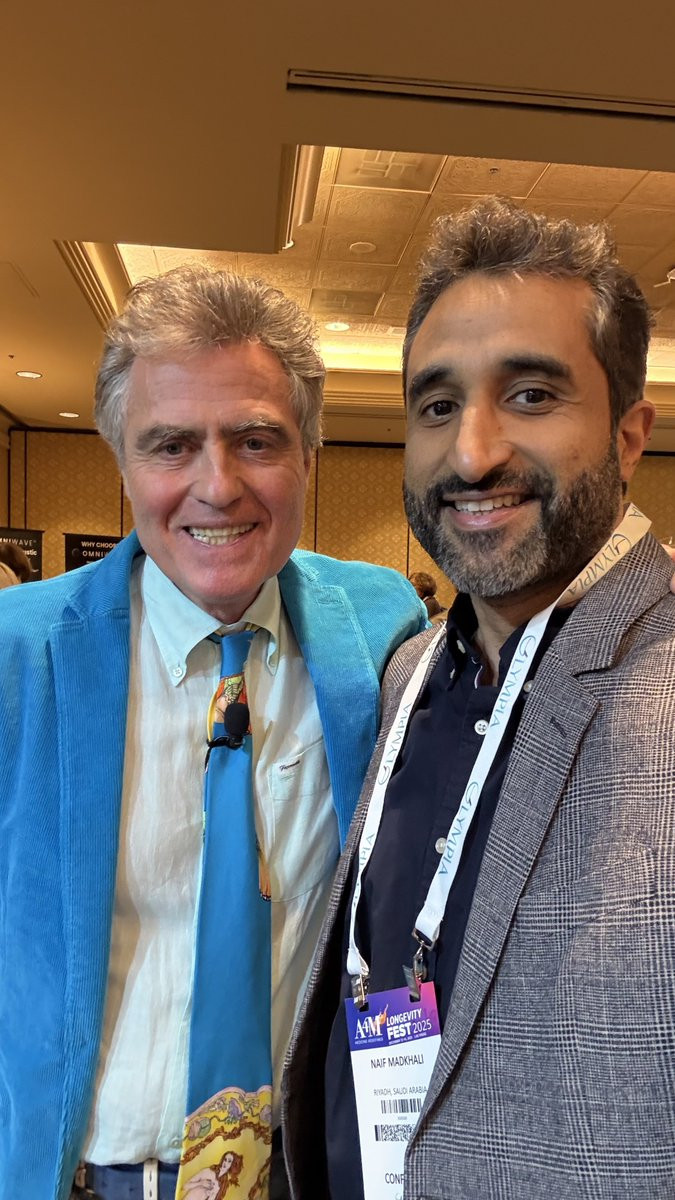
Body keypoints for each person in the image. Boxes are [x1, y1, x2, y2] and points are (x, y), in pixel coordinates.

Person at [0, 266, 427, 1200]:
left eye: (255, 440)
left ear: (309, 452)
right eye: (171, 445)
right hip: (81, 1175)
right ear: (122, 461)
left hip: (304, 1170)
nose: (217, 485)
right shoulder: (18, 655)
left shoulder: (381, 627)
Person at [283, 199, 675, 1199]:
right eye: (436, 405)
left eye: (531, 395)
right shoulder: (412, 674)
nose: (471, 454)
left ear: (630, 434)